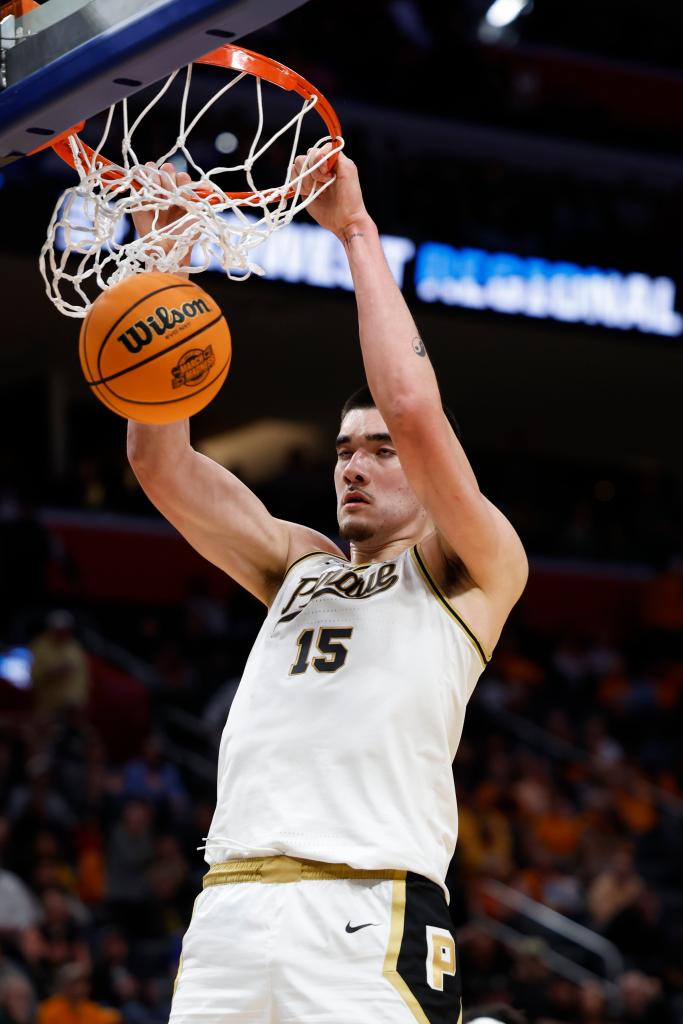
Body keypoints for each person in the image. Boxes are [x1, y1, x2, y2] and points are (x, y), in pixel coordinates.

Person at [127, 150, 528, 1023]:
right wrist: (160, 267)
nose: (356, 465)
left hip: (365, 913)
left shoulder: (472, 566)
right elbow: (158, 461)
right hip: (230, 909)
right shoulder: (296, 564)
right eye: (344, 450)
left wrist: (354, 232)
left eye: (379, 452)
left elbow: (415, 409)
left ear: (426, 471)